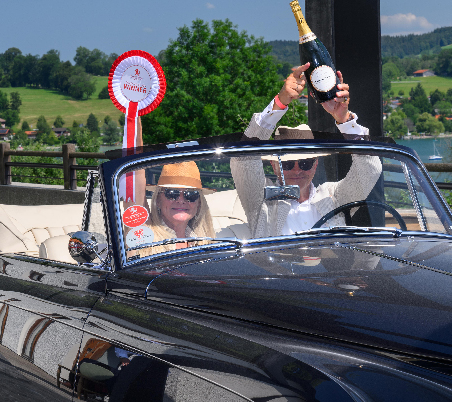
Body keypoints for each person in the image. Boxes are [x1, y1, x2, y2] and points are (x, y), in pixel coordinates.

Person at [231, 63, 382, 238]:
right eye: (287, 164)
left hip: (331, 265)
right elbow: (243, 160)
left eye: (305, 162)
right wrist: (279, 103)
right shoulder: (261, 200)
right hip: (279, 265)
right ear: (274, 165)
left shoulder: (333, 196)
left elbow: (370, 170)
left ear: (315, 164)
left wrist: (344, 120)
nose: (297, 169)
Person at [126, 121, 215, 257]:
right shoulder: (146, 237)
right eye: (171, 193)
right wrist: (134, 114)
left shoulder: (205, 241)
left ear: (199, 204)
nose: (181, 200)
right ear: (158, 200)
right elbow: (133, 179)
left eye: (190, 195)